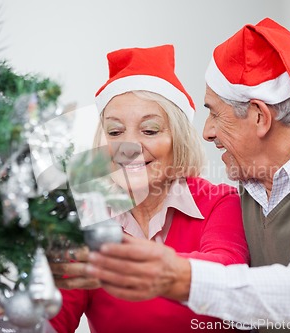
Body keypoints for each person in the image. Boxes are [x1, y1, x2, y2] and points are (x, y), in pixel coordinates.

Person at [85, 18, 290, 332]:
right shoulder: (252, 188)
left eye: (214, 113)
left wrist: (177, 275)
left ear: (260, 117)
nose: (207, 132)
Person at [49, 44, 249, 333]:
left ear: (177, 139)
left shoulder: (219, 202)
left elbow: (226, 271)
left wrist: (118, 257)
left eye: (150, 130)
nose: (129, 147)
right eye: (115, 132)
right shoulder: (86, 217)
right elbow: (53, 318)